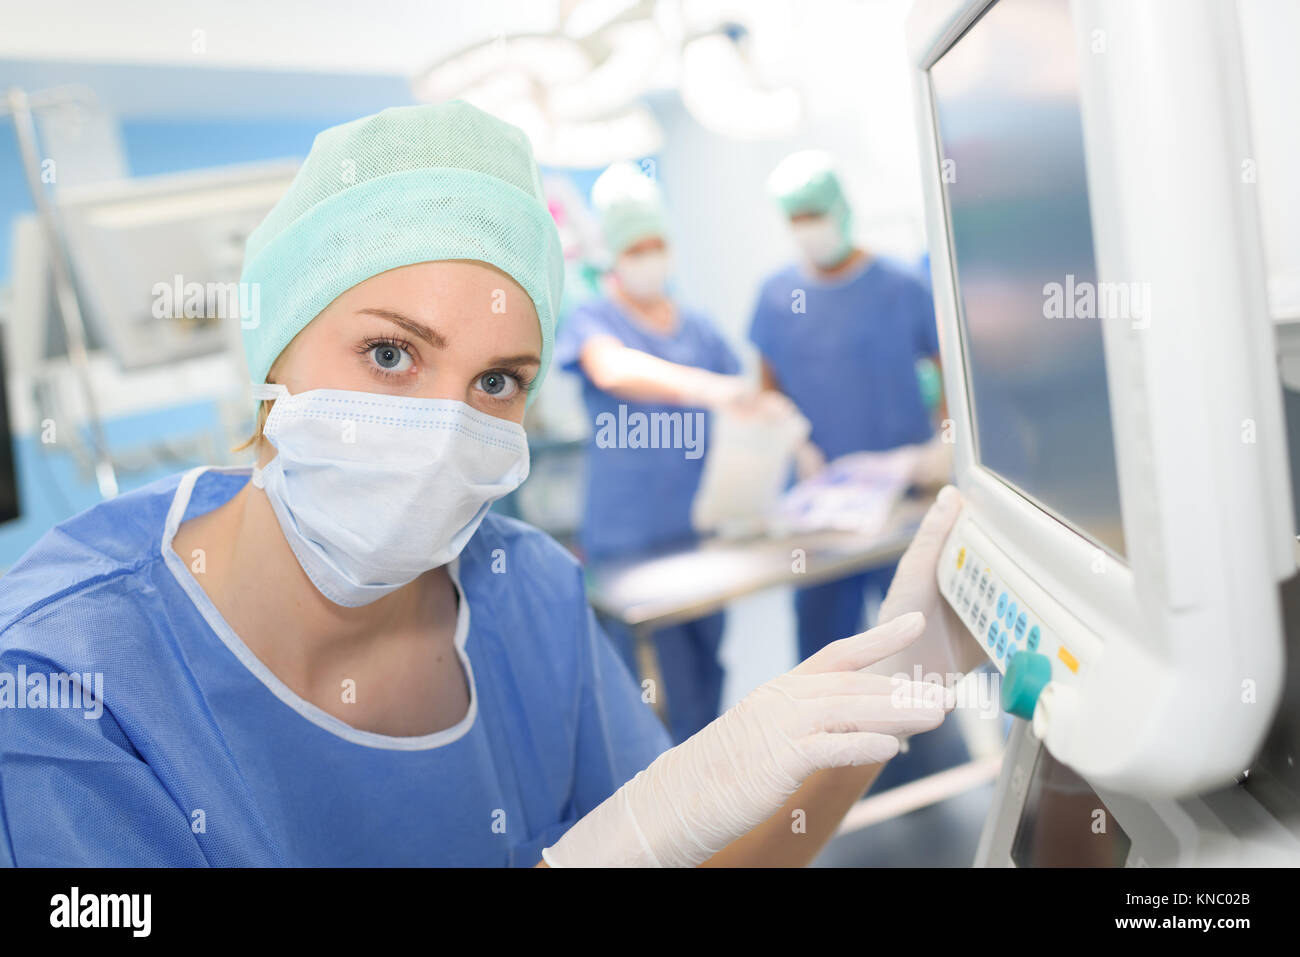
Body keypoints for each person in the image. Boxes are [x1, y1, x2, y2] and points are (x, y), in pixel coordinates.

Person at [0, 102, 959, 867]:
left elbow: (687, 857)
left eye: (497, 381)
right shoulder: (67, 681)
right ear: (272, 355)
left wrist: (878, 706)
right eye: (390, 353)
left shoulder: (527, 595)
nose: (442, 428)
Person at [555, 162, 748, 744]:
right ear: (614, 254)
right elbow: (611, 367)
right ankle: (667, 818)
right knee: (648, 694)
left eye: (656, 243)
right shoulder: (594, 318)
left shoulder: (699, 327)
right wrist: (702, 386)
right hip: (630, 542)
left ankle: (718, 810)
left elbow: (747, 396)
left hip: (698, 531)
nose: (649, 256)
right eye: (635, 247)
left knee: (707, 672)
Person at [750, 149, 945, 663]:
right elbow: (767, 393)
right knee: (825, 663)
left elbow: (953, 368)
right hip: (820, 511)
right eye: (797, 219)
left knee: (915, 656)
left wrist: (945, 452)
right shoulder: (776, 297)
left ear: (840, 209)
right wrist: (794, 443)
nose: (807, 228)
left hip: (905, 500)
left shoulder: (901, 286)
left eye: (814, 214)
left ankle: (928, 744)